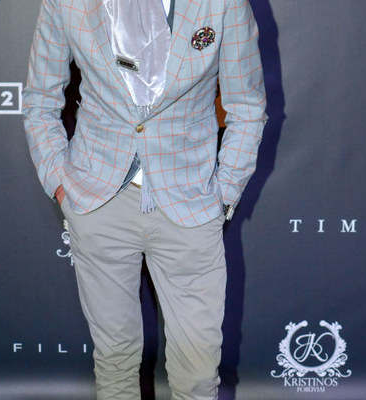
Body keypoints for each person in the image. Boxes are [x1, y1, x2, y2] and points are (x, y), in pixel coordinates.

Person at [22, 0, 266, 398]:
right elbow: (39, 101)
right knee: (115, 366)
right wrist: (59, 181)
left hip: (190, 203)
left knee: (197, 375)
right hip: (98, 201)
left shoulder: (222, 3)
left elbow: (249, 107)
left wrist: (224, 195)